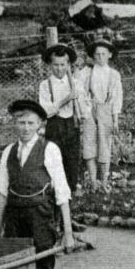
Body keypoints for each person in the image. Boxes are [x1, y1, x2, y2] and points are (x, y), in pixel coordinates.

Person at [0, 98, 77, 269]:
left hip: (40, 219)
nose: (25, 127)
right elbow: (3, 194)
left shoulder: (49, 149)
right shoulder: (8, 152)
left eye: (30, 122)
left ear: (40, 125)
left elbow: (62, 192)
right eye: (21, 122)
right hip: (15, 220)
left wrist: (67, 232)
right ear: (14, 123)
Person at [39, 43, 90, 196]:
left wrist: (81, 110)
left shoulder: (75, 83)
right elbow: (45, 111)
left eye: (63, 65)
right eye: (55, 65)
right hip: (55, 125)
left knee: (72, 158)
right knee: (54, 158)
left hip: (71, 124)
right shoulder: (45, 85)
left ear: (68, 65)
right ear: (50, 65)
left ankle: (72, 189)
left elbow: (84, 106)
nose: (59, 69)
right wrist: (66, 99)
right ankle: (56, 191)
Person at [83, 39, 124, 194]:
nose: (100, 57)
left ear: (110, 55)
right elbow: (81, 91)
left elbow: (117, 98)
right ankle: (93, 183)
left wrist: (115, 120)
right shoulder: (88, 72)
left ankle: (104, 182)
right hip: (90, 109)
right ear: (93, 56)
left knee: (105, 145)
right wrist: (86, 110)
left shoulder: (114, 75)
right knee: (89, 144)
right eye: (97, 54)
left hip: (106, 109)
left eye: (103, 54)